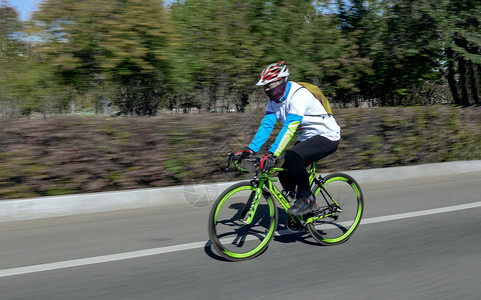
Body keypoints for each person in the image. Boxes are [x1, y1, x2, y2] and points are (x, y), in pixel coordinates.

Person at [234, 61, 341, 216]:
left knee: (293, 155)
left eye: (268, 85)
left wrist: (272, 154)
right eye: (264, 86)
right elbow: (267, 125)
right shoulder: (274, 100)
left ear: (281, 82)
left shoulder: (299, 95)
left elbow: (290, 127)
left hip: (327, 136)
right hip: (307, 138)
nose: (266, 89)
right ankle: (300, 210)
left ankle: (308, 199)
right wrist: (251, 149)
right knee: (284, 173)